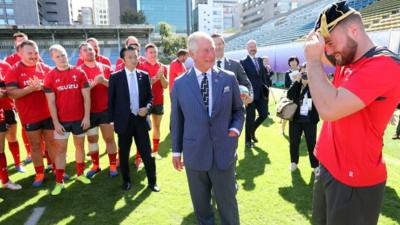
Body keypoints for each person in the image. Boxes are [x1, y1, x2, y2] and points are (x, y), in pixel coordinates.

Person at [304, 2, 400, 225]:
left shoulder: (385, 65)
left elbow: (328, 109)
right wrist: (316, 45)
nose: (327, 49)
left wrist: (311, 59)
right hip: (329, 166)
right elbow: (324, 56)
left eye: (330, 42)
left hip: (354, 180)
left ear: (354, 31)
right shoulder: (348, 56)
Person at [171, 31, 244, 225]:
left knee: (228, 206)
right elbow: (177, 120)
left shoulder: (228, 78)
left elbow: (238, 110)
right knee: (202, 210)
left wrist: (235, 130)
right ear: (192, 54)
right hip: (195, 155)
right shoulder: (179, 84)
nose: (212, 54)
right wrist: (176, 151)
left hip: (223, 154)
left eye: (213, 49)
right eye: (206, 50)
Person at [4, 40, 55, 187]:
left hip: (48, 114)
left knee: (52, 143)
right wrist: (30, 89)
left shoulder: (44, 68)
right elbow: (11, 93)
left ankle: (58, 170)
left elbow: (54, 86)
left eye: (36, 52)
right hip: (29, 116)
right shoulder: (14, 70)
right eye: (30, 53)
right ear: (20, 54)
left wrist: (43, 86)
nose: (34, 56)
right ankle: (39, 174)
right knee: (35, 146)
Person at [108, 45, 159, 192]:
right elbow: (110, 102)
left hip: (140, 121)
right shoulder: (115, 77)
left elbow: (150, 98)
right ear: (123, 59)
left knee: (147, 153)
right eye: (130, 57)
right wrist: (112, 121)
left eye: (136, 56)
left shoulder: (144, 75)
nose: (133, 59)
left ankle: (152, 182)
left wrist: (147, 109)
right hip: (123, 122)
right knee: (123, 154)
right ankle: (126, 181)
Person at [44, 44, 92, 195]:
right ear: (52, 58)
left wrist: (86, 116)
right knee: (60, 151)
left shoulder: (79, 72)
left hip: (79, 119)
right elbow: (50, 102)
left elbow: (86, 97)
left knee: (80, 147)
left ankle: (80, 174)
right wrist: (56, 122)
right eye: (58, 56)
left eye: (63, 55)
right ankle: (59, 181)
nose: (61, 58)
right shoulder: (50, 76)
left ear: (68, 55)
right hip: (62, 122)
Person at [77, 43, 118, 179]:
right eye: (85, 50)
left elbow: (116, 87)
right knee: (92, 139)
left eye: (90, 49)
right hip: (89, 112)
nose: (89, 51)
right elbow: (78, 93)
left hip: (106, 110)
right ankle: (95, 165)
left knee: (109, 138)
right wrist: (94, 84)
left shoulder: (105, 68)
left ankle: (112, 165)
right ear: (80, 55)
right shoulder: (78, 71)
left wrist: (104, 81)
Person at [136, 43, 168, 164]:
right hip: (145, 102)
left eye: (155, 52)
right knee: (142, 130)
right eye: (151, 52)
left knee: (157, 127)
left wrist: (162, 77)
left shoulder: (163, 67)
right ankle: (139, 157)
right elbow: (143, 85)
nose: (153, 54)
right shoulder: (141, 66)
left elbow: (165, 85)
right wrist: (155, 78)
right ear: (146, 54)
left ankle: (154, 152)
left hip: (159, 101)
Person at [286, 63, 319, 173]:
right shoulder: (296, 83)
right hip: (296, 118)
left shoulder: (315, 83)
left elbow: (319, 97)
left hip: (310, 118)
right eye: (304, 72)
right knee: (294, 142)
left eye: (308, 73)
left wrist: (310, 84)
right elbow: (289, 95)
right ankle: (293, 162)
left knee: (312, 143)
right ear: (300, 72)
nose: (306, 75)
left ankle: (315, 165)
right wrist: (297, 81)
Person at [240, 40, 270, 148]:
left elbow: (263, 77)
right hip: (250, 95)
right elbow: (242, 80)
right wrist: (244, 95)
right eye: (251, 47)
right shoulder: (243, 62)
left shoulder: (260, 61)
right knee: (250, 117)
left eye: (254, 46)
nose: (253, 48)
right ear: (247, 49)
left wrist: (266, 90)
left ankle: (252, 131)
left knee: (264, 114)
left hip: (261, 94)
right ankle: (247, 141)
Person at [212, 33, 253, 105]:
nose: (217, 47)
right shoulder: (205, 66)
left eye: (219, 44)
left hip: (233, 109)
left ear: (224, 45)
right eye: (214, 44)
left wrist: (249, 97)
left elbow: (246, 84)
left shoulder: (236, 64)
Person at [0, 60, 24, 173]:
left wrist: (4, 92)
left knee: (12, 138)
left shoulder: (5, 65)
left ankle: (18, 164)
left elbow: (12, 88)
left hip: (8, 108)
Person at [282, 56, 300, 135]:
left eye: (294, 61)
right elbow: (286, 85)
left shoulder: (301, 71)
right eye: (291, 61)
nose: (293, 63)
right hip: (290, 95)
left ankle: (300, 131)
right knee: (287, 113)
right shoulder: (287, 73)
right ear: (289, 63)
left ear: (297, 62)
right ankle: (282, 130)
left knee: (299, 113)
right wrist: (294, 82)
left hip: (300, 95)